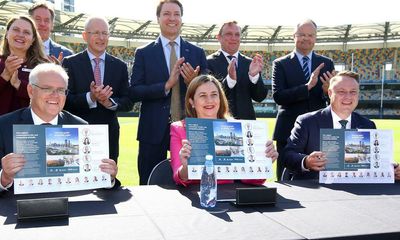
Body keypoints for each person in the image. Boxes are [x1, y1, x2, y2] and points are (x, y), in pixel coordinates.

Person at [0, 63, 119, 192]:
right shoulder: (3, 126)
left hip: (70, 209)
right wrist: (4, 178)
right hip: (20, 208)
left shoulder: (81, 127)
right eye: (47, 88)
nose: (55, 95)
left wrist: (109, 178)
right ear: (30, 91)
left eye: (61, 90)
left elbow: (99, 187)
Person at [129, 0, 207, 185]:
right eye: (167, 14)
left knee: (192, 183)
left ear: (181, 19)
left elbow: (208, 91)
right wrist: (166, 85)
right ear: (158, 18)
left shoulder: (197, 52)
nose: (172, 18)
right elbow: (134, 91)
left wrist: (193, 83)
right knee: (149, 185)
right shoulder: (144, 52)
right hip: (153, 129)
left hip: (189, 129)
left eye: (176, 14)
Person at [170, 75, 278, 186]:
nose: (209, 100)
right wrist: (186, 167)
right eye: (203, 96)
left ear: (220, 99)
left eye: (214, 95)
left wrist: (265, 161)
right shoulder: (179, 128)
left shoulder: (237, 127)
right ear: (192, 102)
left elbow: (251, 180)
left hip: (229, 196)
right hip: (197, 196)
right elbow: (178, 178)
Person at [284, 71, 380, 179]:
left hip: (356, 189)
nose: (348, 97)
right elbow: (288, 155)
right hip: (316, 190)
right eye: (341, 92)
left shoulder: (368, 125)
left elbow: (374, 160)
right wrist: (306, 161)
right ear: (330, 93)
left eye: (353, 92)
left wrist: (391, 170)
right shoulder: (307, 121)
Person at [62, 16, 133, 162]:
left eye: (105, 33)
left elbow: (128, 101)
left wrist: (109, 102)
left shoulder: (119, 66)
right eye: (96, 33)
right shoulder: (70, 63)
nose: (101, 37)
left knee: (107, 180)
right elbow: (65, 101)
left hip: (108, 134)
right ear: (84, 36)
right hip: (77, 134)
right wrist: (91, 97)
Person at [271, 19, 335, 180]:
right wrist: (306, 87)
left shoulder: (327, 63)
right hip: (288, 129)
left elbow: (333, 101)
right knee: (285, 177)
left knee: (320, 177)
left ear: (315, 38)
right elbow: (278, 96)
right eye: (302, 34)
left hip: (318, 130)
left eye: (310, 35)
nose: (306, 38)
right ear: (294, 36)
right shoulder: (280, 64)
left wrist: (328, 91)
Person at [207, 21, 267, 120]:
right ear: (219, 37)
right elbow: (210, 96)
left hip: (247, 125)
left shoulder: (250, 63)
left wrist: (254, 76)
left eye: (237, 35)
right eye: (229, 34)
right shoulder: (208, 62)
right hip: (220, 123)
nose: (233, 38)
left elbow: (260, 97)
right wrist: (230, 80)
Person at [0, 15, 49, 116]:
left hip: (30, 129)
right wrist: (5, 76)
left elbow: (48, 97)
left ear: (33, 39)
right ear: (7, 33)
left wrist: (19, 84)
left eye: (26, 32)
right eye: (16, 30)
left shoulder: (43, 67)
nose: (21, 35)